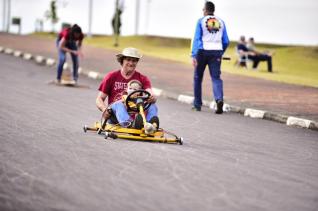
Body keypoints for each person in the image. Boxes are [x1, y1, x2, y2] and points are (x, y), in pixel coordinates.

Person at [96, 47, 159, 132]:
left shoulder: (143, 78)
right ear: (122, 61)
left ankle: (149, 126)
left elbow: (150, 92)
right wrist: (104, 110)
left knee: (152, 105)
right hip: (115, 116)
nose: (131, 63)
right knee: (119, 104)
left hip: (136, 114)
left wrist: (153, 97)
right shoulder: (111, 76)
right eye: (128, 60)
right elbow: (99, 99)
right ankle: (129, 124)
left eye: (134, 61)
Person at [191, 1, 229, 114]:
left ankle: (197, 105)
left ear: (206, 10)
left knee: (198, 78)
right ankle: (219, 99)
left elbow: (197, 39)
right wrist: (221, 52)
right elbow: (226, 40)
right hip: (216, 51)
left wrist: (194, 54)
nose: (202, 11)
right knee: (216, 78)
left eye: (203, 9)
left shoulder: (201, 21)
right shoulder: (221, 22)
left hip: (202, 51)